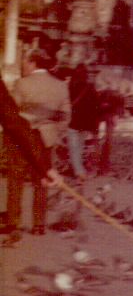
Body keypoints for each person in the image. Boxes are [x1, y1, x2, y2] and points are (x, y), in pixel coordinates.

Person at [4, 53, 68, 237]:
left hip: (22, 138)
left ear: (33, 62)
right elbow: (65, 115)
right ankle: (39, 225)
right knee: (43, 181)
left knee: (16, 179)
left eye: (24, 62)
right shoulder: (60, 85)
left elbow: (12, 112)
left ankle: (13, 223)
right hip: (47, 138)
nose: (23, 66)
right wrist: (55, 132)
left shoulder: (22, 83)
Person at [67, 63, 102, 180]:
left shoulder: (70, 86)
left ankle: (78, 171)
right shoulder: (90, 87)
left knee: (73, 147)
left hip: (72, 120)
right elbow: (96, 106)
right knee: (79, 147)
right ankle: (78, 169)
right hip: (84, 122)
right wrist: (94, 126)